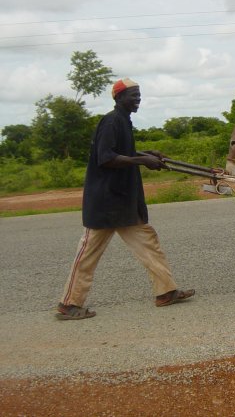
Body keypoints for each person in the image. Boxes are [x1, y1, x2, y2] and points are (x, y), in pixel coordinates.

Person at [56, 77, 194, 320]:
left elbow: (122, 152)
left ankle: (166, 292)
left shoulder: (124, 121)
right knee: (87, 254)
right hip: (106, 202)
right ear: (119, 98)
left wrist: (146, 154)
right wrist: (142, 161)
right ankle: (69, 304)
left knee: (149, 243)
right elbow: (106, 157)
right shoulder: (110, 121)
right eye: (133, 95)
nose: (138, 99)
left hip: (123, 202)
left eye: (139, 95)